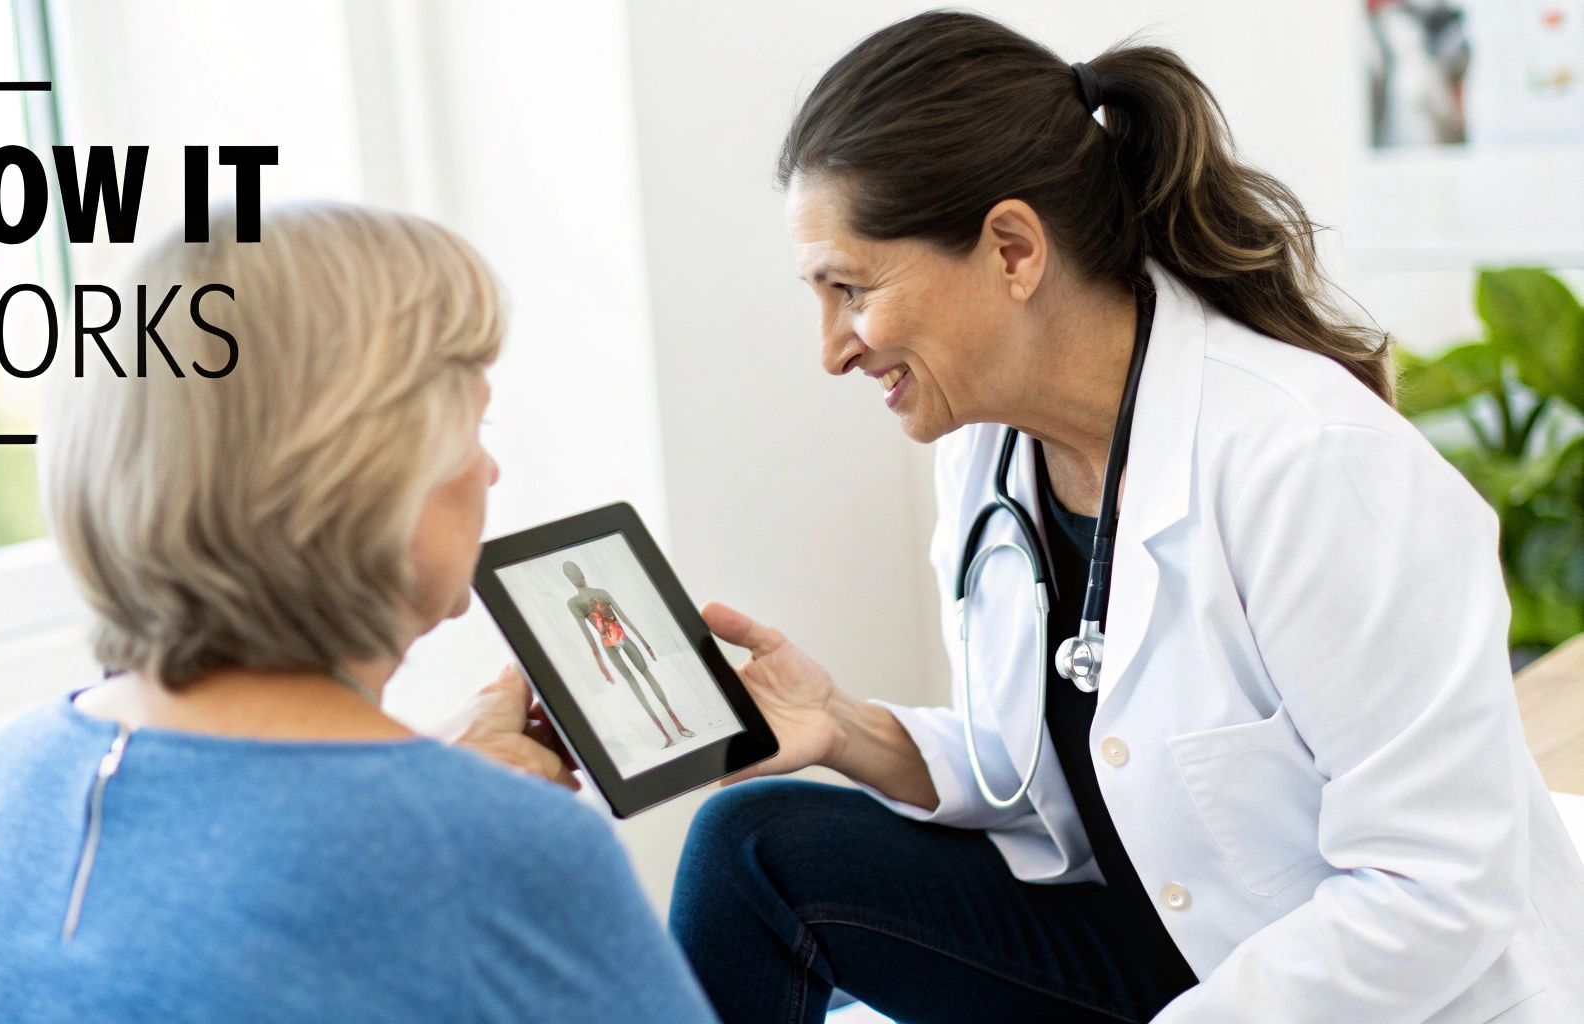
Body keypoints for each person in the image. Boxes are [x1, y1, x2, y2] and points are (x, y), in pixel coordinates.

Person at [669, 11, 1584, 1024]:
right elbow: (1056, 781)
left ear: (1012, 249)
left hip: (1378, 997)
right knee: (753, 848)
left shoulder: (1308, 462)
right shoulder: (990, 453)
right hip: (1164, 945)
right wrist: (838, 726)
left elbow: (1434, 889)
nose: (832, 348)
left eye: (849, 289)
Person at [0, 202, 717, 1023]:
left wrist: (431, 789)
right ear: (373, 471)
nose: (491, 470)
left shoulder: (15, 771)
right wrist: (451, 814)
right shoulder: (513, 850)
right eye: (473, 423)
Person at [564, 559, 695, 746]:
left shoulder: (597, 595)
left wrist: (645, 643)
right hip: (614, 642)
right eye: (573, 573)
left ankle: (676, 727)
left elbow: (624, 619)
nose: (577, 576)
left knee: (642, 677)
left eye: (577, 572)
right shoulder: (577, 602)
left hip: (618, 640)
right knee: (638, 680)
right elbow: (589, 636)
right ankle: (668, 733)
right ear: (570, 578)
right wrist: (601, 664)